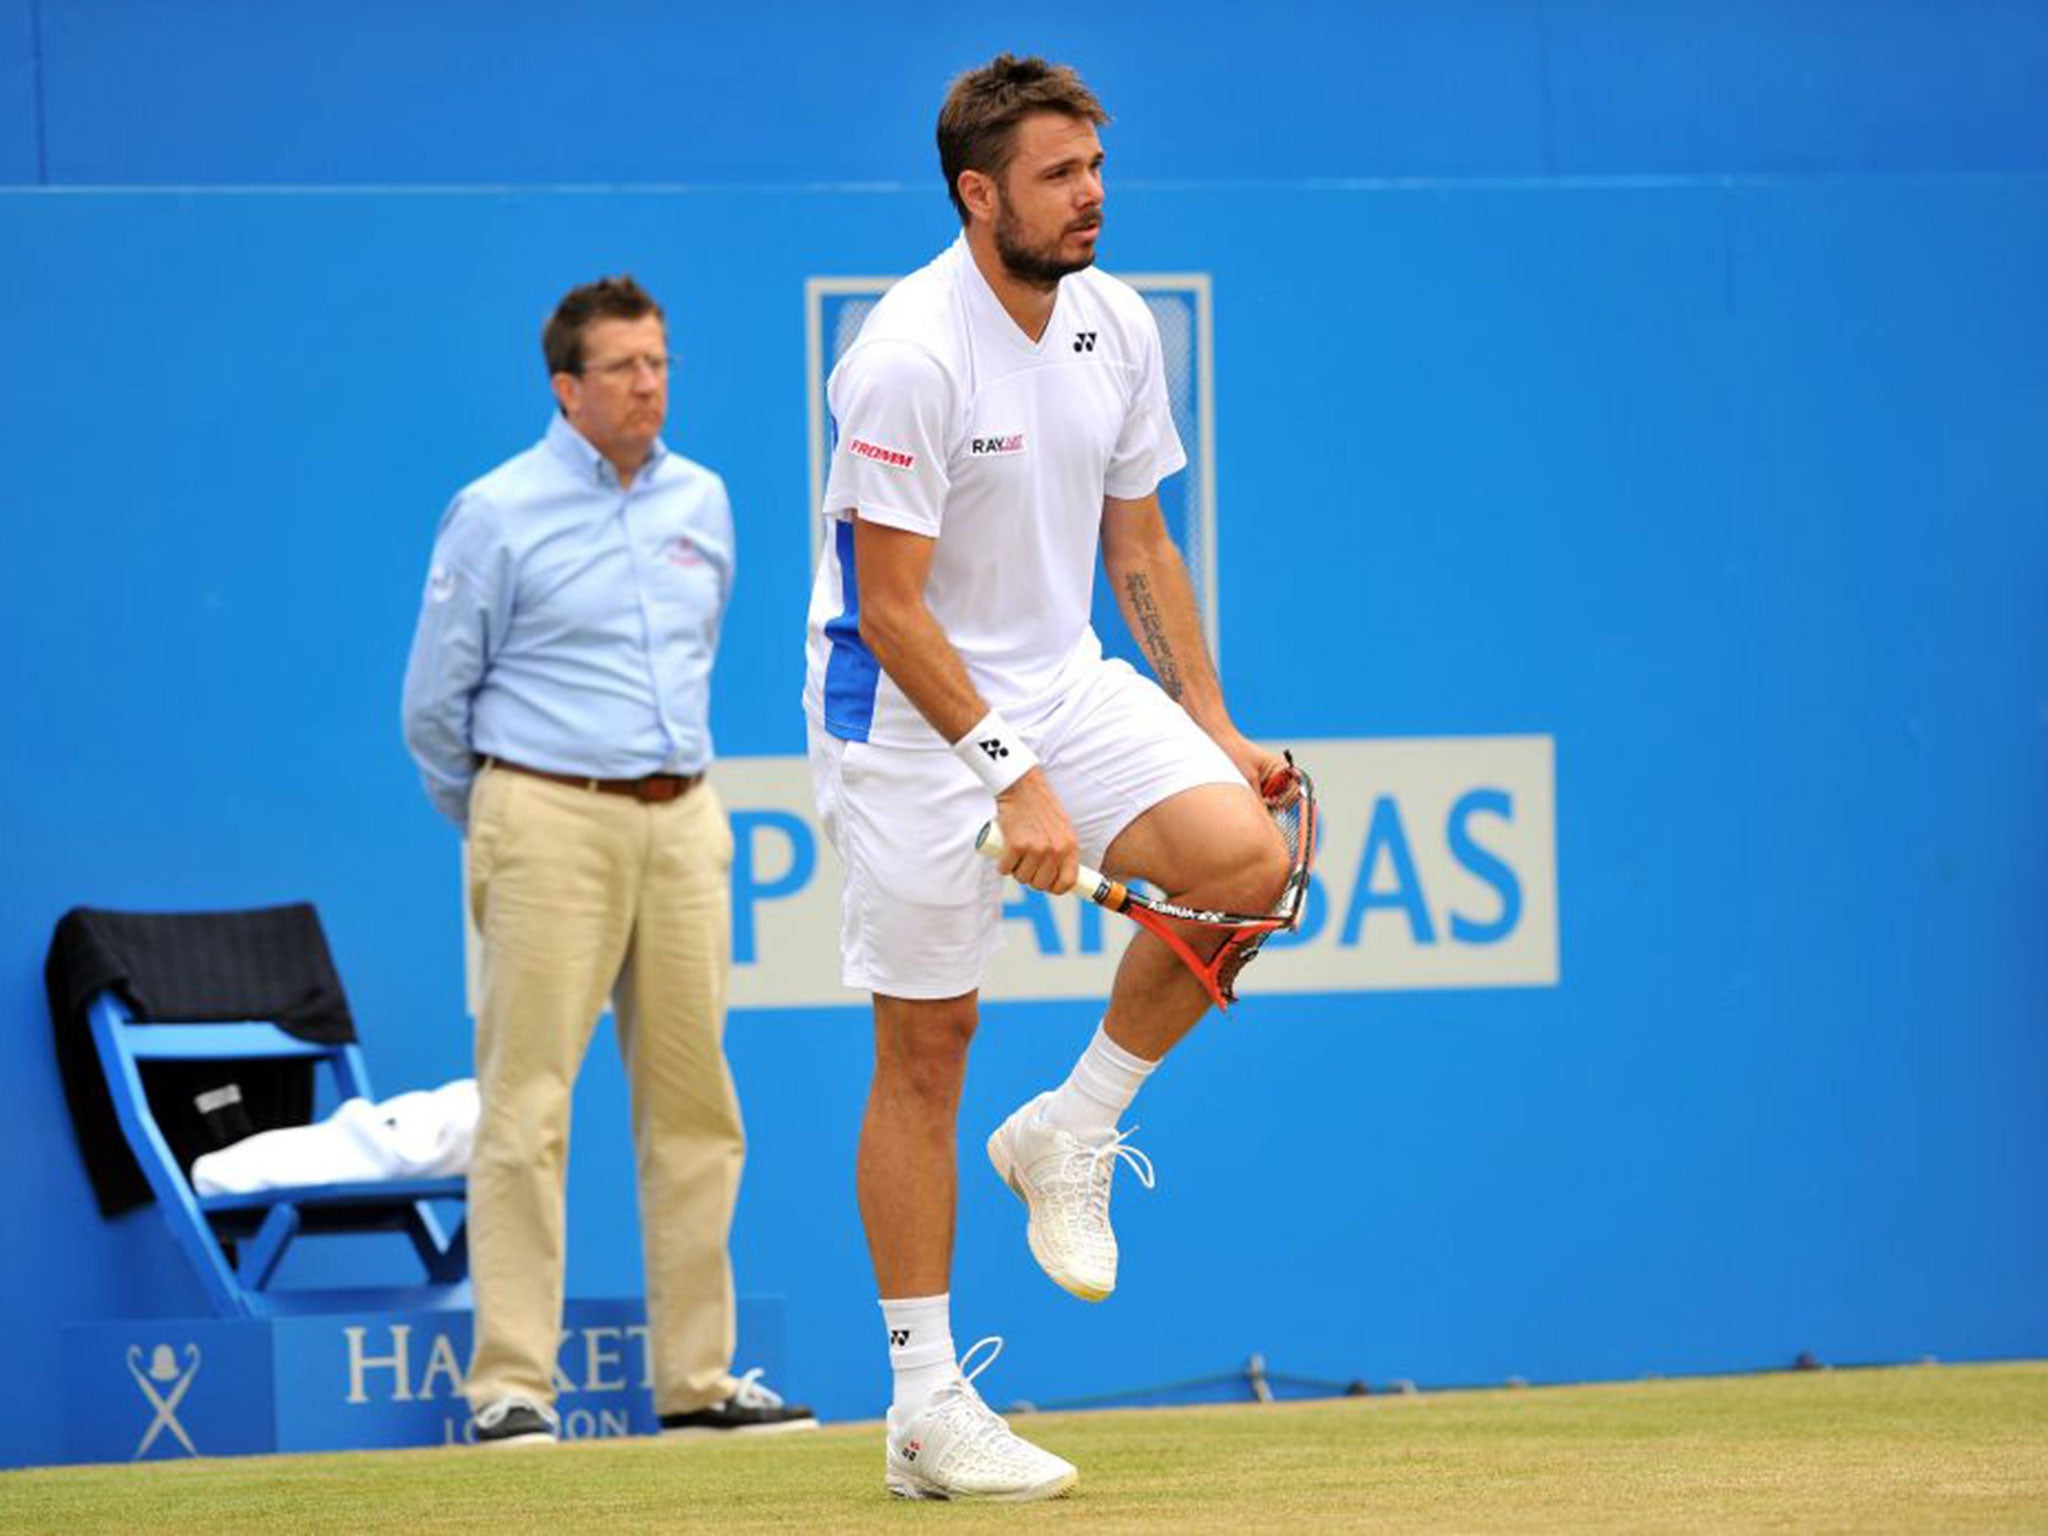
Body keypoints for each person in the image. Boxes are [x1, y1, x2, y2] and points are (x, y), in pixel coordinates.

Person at [803, 55, 1290, 1500]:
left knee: (1245, 864)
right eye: (1059, 174)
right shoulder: (907, 351)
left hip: (1065, 677)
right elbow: (892, 610)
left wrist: (1211, 720)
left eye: (1095, 167)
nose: (1092, 196)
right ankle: (922, 1407)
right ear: (977, 192)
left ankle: (1070, 1127)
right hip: (903, 717)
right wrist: (1008, 776)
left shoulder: (1117, 322)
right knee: (927, 1048)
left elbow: (1136, 544)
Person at [403, 275, 814, 1446]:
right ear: (566, 389)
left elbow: (697, 656)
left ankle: (697, 1380)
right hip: (544, 815)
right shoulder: (495, 509)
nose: (650, 384)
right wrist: (505, 816)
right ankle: (510, 1386)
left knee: (696, 1108)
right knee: (525, 1105)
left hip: (683, 817)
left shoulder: (705, 499)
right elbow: (435, 704)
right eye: (625, 367)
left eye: (661, 361)